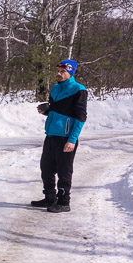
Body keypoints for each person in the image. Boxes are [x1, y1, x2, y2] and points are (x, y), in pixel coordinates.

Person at [32, 59, 88, 213]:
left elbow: (81, 117)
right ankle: (50, 198)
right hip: (51, 135)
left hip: (66, 138)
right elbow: (58, 109)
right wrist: (47, 111)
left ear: (70, 72)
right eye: (58, 70)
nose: (58, 73)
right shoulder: (56, 88)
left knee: (64, 171)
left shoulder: (79, 90)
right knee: (46, 168)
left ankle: (64, 202)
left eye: (63, 71)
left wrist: (72, 139)